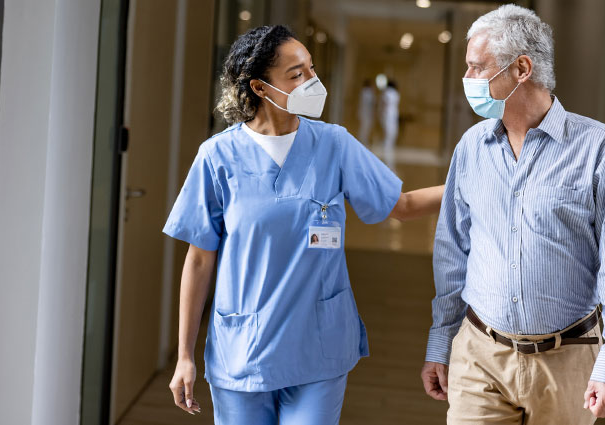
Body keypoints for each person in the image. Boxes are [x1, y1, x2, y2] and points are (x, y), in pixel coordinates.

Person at [163, 25, 444, 425]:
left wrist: (472, 184)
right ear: (260, 88)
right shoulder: (217, 157)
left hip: (319, 346)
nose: (313, 81)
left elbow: (401, 205)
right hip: (244, 350)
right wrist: (185, 356)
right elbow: (199, 261)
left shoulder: (334, 144)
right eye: (297, 75)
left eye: (311, 69)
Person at [422, 5, 605, 424]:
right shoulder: (471, 147)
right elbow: (451, 251)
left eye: (476, 67)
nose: (467, 80)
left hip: (569, 362)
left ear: (521, 68)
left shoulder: (598, 148)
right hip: (479, 356)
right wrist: (440, 341)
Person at [380, 80, 400, 171]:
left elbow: (384, 104)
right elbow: (385, 104)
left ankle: (388, 147)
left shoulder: (389, 93)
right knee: (390, 131)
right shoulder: (391, 93)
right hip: (389, 114)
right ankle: (387, 148)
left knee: (391, 131)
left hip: (389, 114)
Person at [357, 79, 375, 146]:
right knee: (364, 127)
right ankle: (362, 140)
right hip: (366, 113)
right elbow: (370, 103)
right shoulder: (367, 92)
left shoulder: (364, 92)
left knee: (365, 127)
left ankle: (363, 140)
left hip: (365, 113)